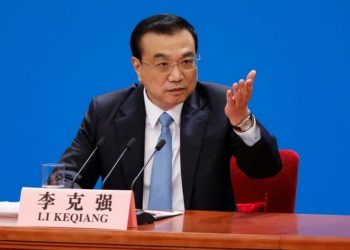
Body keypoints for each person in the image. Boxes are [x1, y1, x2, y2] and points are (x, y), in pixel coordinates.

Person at [59, 14, 282, 211]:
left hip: (203, 241)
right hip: (129, 241)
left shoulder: (220, 105)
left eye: (187, 61)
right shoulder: (106, 111)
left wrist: (241, 121)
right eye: (163, 64)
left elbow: (266, 169)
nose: (176, 76)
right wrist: (60, 193)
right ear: (137, 67)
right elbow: (69, 175)